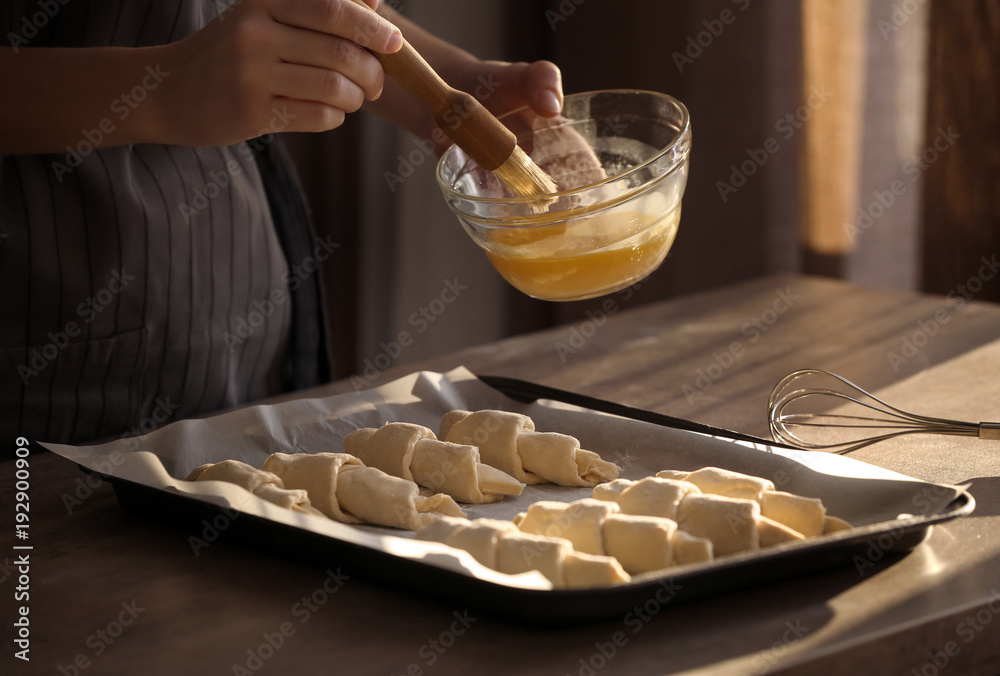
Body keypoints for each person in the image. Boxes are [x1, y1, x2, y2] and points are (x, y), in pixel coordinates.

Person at [0, 0, 564, 445]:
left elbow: (311, 10)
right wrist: (160, 90)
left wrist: (445, 84)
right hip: (48, 377)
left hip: (246, 328)